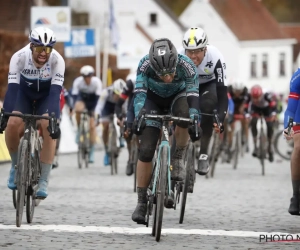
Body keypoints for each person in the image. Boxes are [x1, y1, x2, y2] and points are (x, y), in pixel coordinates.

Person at [131, 38, 201, 224]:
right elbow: (139, 95)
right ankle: (141, 201)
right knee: (145, 150)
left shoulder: (186, 65)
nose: (168, 77)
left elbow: (193, 93)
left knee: (185, 115)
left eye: (170, 72)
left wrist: (195, 117)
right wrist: (139, 115)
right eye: (162, 74)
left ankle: (178, 157)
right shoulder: (144, 65)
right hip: (152, 99)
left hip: (178, 97)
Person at [0, 27, 63, 199]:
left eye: (48, 49)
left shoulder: (58, 61)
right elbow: (12, 89)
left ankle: (43, 179)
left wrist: (53, 119)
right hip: (24, 95)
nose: (43, 53)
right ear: (31, 46)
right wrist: (5, 114)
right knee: (12, 123)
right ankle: (15, 166)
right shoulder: (19, 58)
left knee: (47, 125)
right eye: (39, 48)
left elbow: (55, 93)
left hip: (45, 97)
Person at [178, 27, 228, 175]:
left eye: (197, 51)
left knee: (208, 105)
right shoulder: (179, 57)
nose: (193, 56)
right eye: (190, 51)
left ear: (205, 49)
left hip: (209, 84)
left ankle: (204, 154)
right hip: (187, 84)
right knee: (182, 110)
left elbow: (222, 93)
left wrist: (220, 117)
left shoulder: (216, 57)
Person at [72, 65, 102, 163]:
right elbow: (75, 97)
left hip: (93, 100)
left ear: (92, 76)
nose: (87, 79)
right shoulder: (78, 82)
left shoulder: (97, 82)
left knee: (92, 126)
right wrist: (73, 108)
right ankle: (79, 128)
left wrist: (94, 112)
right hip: (82, 98)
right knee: (77, 109)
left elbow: (98, 100)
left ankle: (92, 151)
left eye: (89, 77)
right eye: (85, 77)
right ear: (82, 77)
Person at [96, 79, 127, 166]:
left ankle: (120, 137)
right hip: (107, 107)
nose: (117, 96)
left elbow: (125, 108)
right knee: (105, 126)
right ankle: (106, 151)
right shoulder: (105, 92)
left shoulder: (123, 95)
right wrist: (97, 116)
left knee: (122, 120)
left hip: (119, 106)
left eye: (119, 95)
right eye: (116, 94)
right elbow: (99, 105)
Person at [283, 68, 300, 215]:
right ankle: (296, 196)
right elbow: (291, 108)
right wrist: (288, 126)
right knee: (299, 147)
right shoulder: (298, 76)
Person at [245, 85, 277, 162]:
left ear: (261, 95)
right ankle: (255, 145)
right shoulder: (249, 95)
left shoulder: (266, 95)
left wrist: (273, 114)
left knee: (269, 125)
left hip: (267, 109)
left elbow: (273, 105)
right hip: (255, 109)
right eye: (254, 98)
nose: (255, 100)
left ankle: (269, 147)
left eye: (257, 98)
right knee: (253, 122)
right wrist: (247, 114)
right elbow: (245, 105)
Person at [115, 71, 136, 175]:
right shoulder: (131, 83)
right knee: (127, 131)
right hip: (132, 110)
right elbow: (119, 103)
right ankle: (130, 158)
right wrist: (119, 117)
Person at [227, 80, 250, 152]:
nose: (237, 93)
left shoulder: (246, 92)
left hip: (241, 106)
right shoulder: (229, 90)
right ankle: (230, 143)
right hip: (232, 107)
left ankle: (246, 140)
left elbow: (247, 103)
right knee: (230, 124)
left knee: (246, 122)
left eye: (239, 91)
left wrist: (245, 112)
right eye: (236, 91)